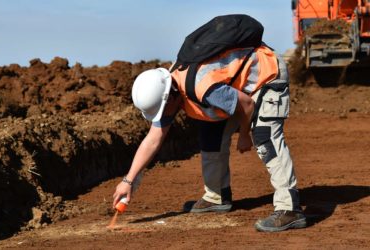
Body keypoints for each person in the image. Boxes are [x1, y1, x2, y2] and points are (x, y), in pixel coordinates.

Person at [112, 39, 307, 232]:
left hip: (266, 75)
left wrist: (244, 134)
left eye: (162, 109)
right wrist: (128, 181)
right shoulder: (169, 84)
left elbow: (247, 105)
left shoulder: (200, 87)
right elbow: (153, 139)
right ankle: (217, 197)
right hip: (234, 83)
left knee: (265, 138)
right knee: (210, 131)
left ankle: (289, 209)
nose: (163, 115)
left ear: (170, 95)